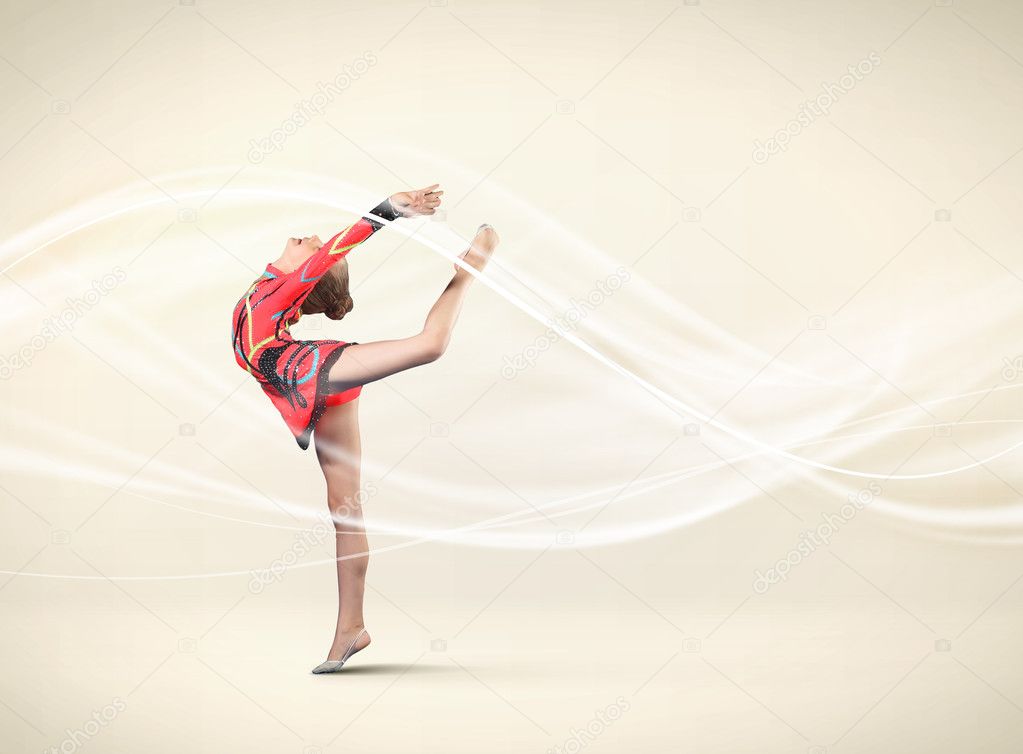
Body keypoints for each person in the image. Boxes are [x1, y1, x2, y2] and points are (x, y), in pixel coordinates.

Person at [230, 184, 498, 672]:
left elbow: (336, 248)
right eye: (312, 240)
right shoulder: (273, 291)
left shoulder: (284, 287)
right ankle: (351, 628)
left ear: (308, 277)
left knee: (430, 345)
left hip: (307, 367)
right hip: (302, 380)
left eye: (313, 246)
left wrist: (388, 211)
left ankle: (465, 275)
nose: (310, 237)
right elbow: (319, 264)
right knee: (345, 510)